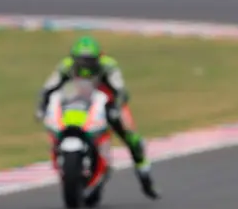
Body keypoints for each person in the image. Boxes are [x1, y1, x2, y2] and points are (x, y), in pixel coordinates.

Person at [37, 35, 159, 199]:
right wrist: (42, 107)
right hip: (79, 101)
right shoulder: (65, 66)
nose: (84, 65)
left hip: (108, 101)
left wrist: (115, 107)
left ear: (98, 58)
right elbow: (48, 88)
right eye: (80, 60)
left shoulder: (109, 66)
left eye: (89, 60)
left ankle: (144, 176)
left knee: (130, 136)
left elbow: (121, 91)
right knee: (57, 125)